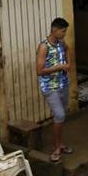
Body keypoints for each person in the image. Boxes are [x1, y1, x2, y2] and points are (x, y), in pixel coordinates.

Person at [36, 17, 73, 163]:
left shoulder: (61, 43)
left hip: (63, 84)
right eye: (63, 31)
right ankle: (57, 146)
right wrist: (58, 67)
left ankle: (60, 143)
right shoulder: (44, 47)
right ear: (54, 30)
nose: (64, 34)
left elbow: (67, 49)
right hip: (49, 87)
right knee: (60, 115)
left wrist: (68, 64)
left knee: (61, 117)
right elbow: (39, 70)